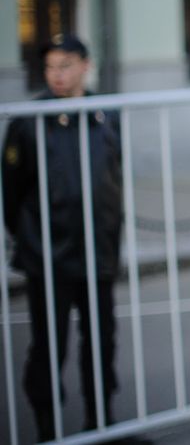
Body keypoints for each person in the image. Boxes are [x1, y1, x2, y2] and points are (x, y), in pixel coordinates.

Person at [2, 35, 123, 440]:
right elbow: (12, 190)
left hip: (97, 253)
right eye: (51, 66)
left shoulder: (105, 113)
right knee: (48, 347)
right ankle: (48, 429)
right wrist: (29, 240)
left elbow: (113, 180)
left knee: (101, 342)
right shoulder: (27, 120)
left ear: (85, 66)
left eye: (65, 65)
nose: (57, 74)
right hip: (47, 257)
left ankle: (100, 422)